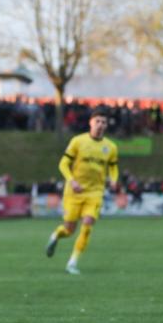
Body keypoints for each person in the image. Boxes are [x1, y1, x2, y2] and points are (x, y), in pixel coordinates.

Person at [45, 108, 119, 274]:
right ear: (90, 122)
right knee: (69, 230)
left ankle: (72, 262)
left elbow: (113, 168)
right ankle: (56, 235)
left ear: (106, 126)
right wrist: (72, 181)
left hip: (95, 192)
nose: (100, 125)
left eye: (104, 122)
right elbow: (63, 164)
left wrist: (114, 180)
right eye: (97, 121)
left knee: (87, 225)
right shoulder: (78, 141)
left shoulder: (111, 147)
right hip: (74, 192)